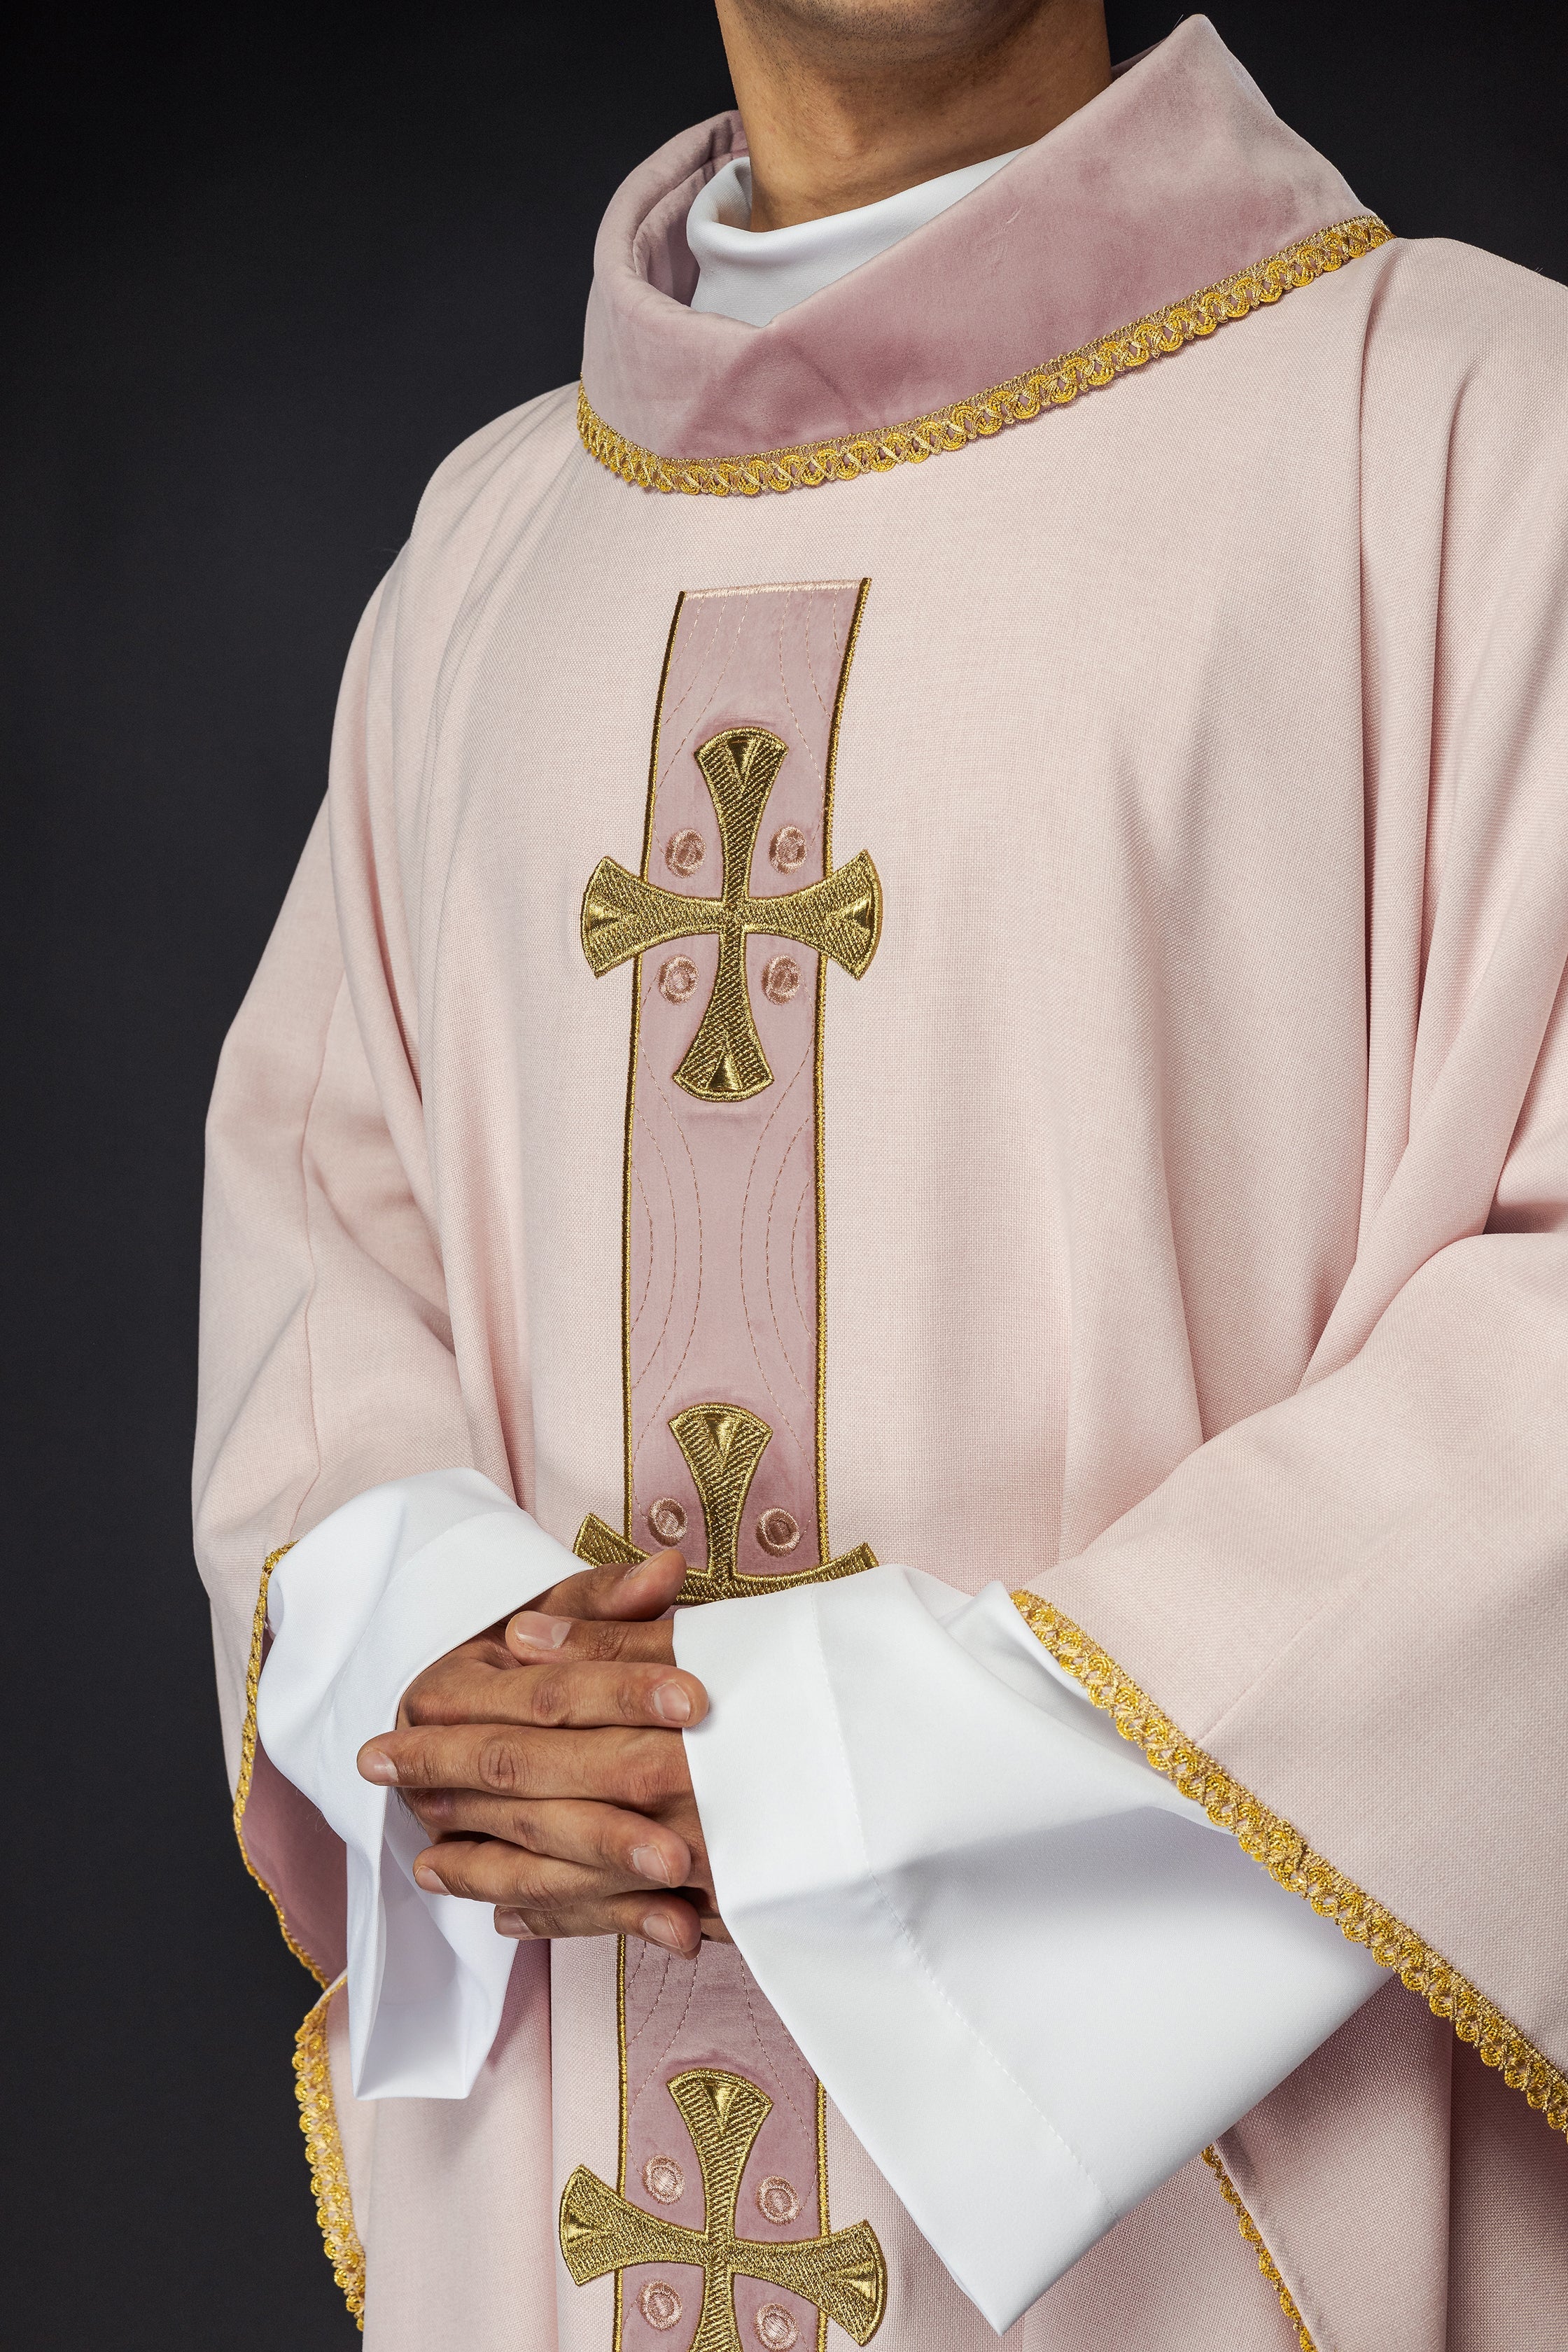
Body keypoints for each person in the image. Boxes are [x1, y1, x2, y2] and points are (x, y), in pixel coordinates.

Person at [195, 4, 1568, 2345]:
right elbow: (326, 1251)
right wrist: (447, 1653)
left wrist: (856, 1772)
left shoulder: (1462, 437)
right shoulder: (489, 547)